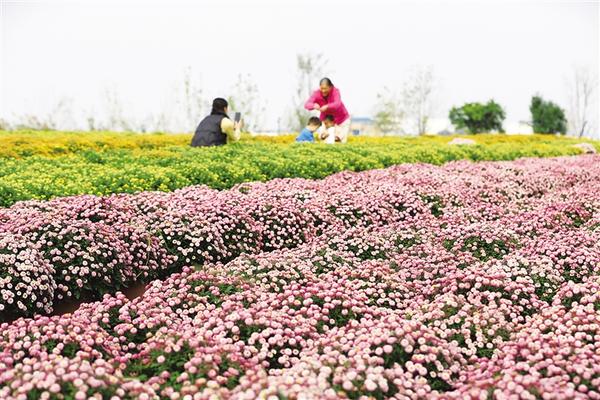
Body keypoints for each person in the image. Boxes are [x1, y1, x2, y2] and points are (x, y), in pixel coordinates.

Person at [304, 77, 350, 143]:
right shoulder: (316, 93)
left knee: (340, 141)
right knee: (323, 138)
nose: (323, 91)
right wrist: (313, 105)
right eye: (321, 88)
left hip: (341, 120)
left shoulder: (335, 91)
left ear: (330, 87)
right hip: (326, 121)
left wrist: (327, 106)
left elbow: (337, 103)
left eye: (325, 88)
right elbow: (306, 104)